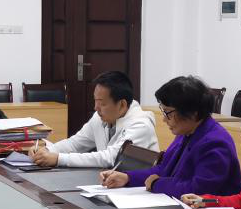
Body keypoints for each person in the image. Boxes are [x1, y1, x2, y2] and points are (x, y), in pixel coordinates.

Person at [99, 76, 241, 197]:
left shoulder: (215, 142)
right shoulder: (186, 133)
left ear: (192, 113)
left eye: (168, 113)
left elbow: (198, 190)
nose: (163, 119)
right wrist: (127, 177)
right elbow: (164, 169)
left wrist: (157, 184)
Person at [29, 70, 157, 168]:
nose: (96, 108)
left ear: (122, 105)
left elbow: (112, 158)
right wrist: (46, 151)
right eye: (95, 101)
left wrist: (58, 159)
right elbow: (75, 143)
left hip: (137, 189)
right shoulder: (99, 117)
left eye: (102, 103)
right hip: (109, 182)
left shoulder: (141, 125)